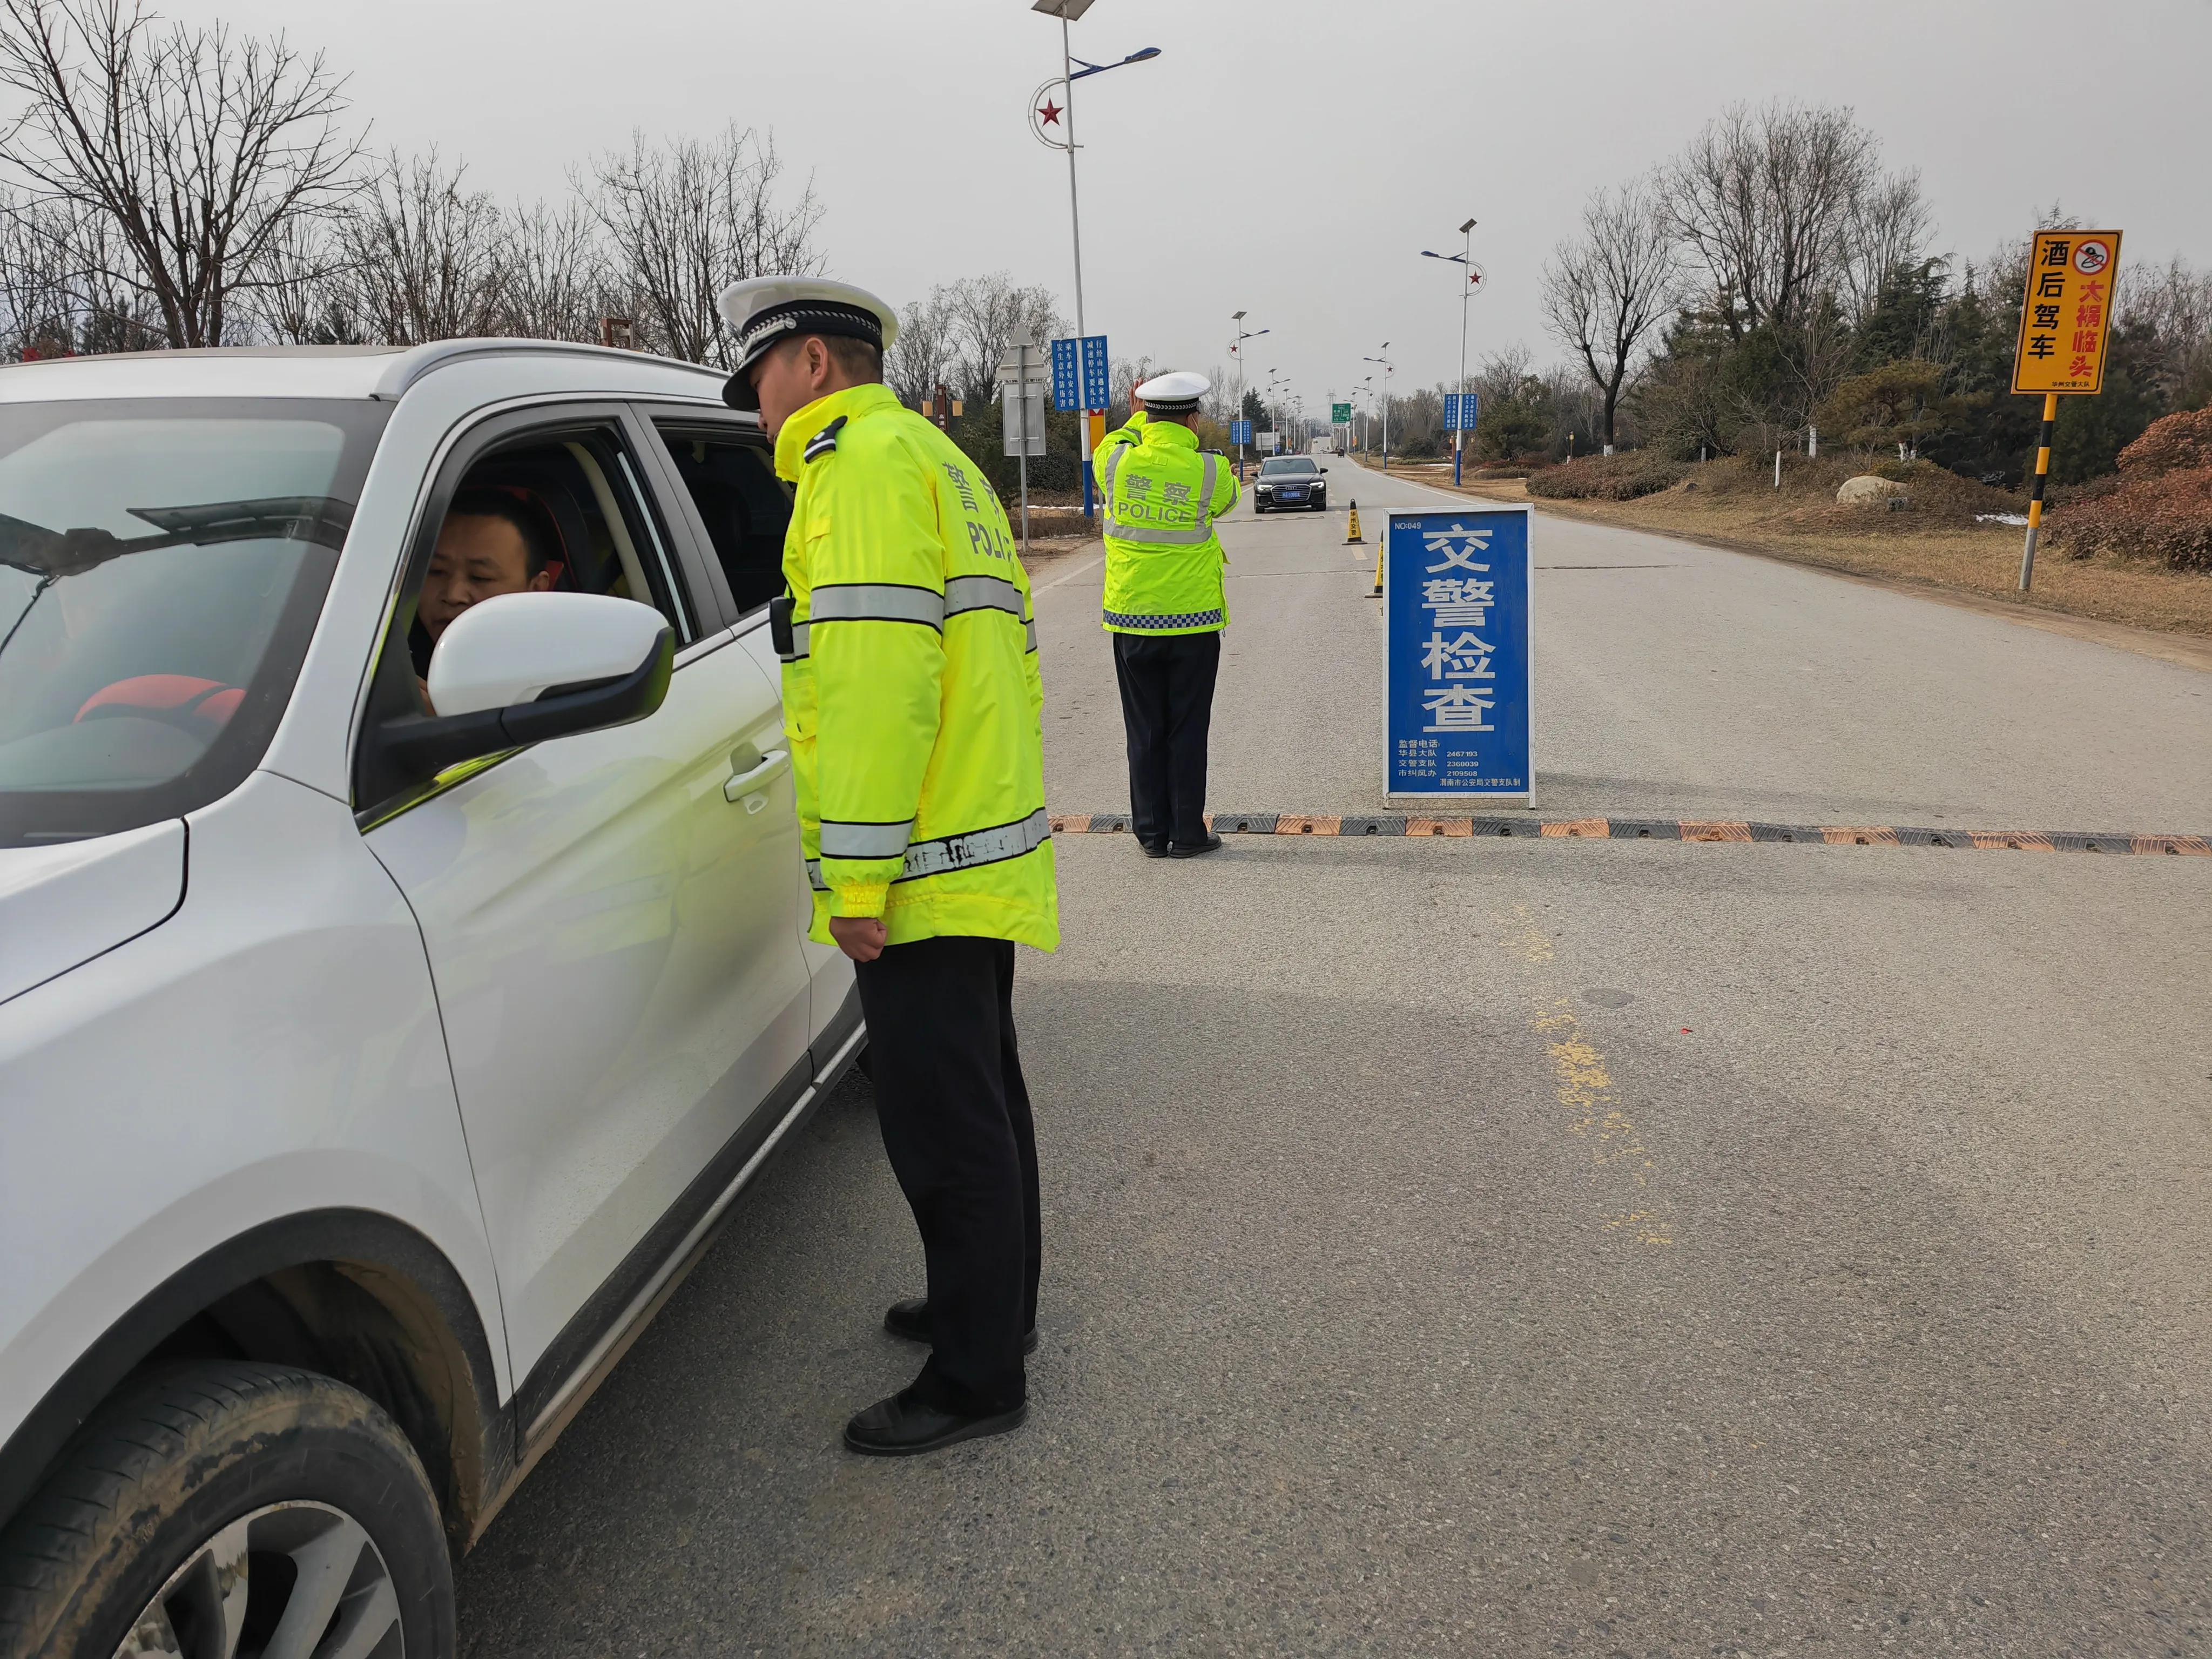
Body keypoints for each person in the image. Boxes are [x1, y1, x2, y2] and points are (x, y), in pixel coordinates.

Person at [718, 274, 1058, 1456]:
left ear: (812, 361)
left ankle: (974, 1379)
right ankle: (995, 1314)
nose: (755, 405)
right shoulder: (937, 459)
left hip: (914, 861)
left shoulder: (854, 469)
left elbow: (875, 689)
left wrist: (855, 886)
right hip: (971, 839)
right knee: (984, 1101)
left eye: (760, 375)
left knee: (944, 1127)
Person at [1095, 370, 1240, 858]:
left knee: (1144, 730)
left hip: (1133, 620)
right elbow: (1230, 500)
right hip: (1194, 623)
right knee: (1188, 729)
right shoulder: (1210, 471)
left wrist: (1137, 422)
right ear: (1193, 420)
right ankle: (1188, 834)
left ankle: (1152, 835)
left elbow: (1112, 442)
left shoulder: (1117, 460)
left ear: (1144, 415)